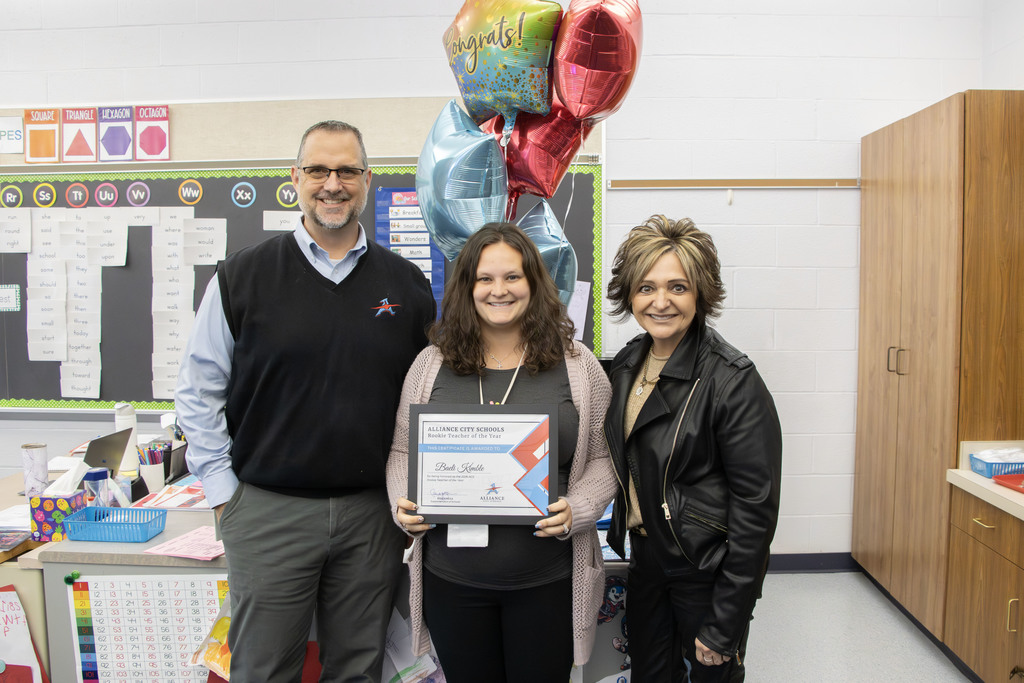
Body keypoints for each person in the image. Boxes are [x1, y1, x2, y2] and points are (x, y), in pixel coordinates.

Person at [175, 120, 436, 682]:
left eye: (346, 170)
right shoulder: (240, 278)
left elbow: (428, 397)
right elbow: (198, 392)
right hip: (267, 512)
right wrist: (225, 495)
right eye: (318, 170)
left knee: (359, 671)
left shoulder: (408, 284)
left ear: (367, 180)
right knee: (263, 671)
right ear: (295, 178)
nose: (332, 183)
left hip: (372, 517)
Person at [384, 222, 616, 683]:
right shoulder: (431, 364)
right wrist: (401, 504)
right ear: (467, 287)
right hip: (453, 584)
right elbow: (402, 451)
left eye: (512, 276)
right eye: (485, 278)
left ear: (534, 281)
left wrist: (580, 508)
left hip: (548, 582)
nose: (499, 290)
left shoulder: (577, 364)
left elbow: (605, 459)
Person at [603, 215, 782, 682]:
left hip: (705, 570)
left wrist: (726, 622)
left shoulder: (732, 380)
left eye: (677, 287)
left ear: (700, 293)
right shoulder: (626, 365)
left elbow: (755, 511)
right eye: (646, 287)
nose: (660, 302)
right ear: (630, 294)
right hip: (646, 563)